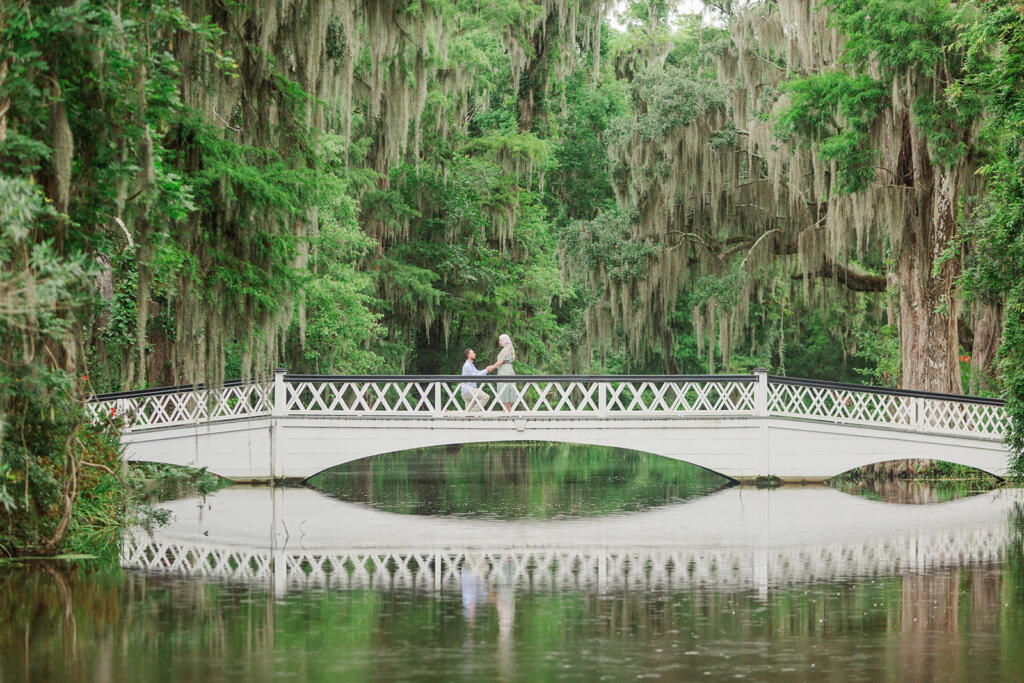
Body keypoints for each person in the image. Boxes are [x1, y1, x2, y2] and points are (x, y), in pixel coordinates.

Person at [489, 333, 516, 412]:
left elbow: (500, 361)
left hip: (504, 370)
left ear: (505, 341)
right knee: (508, 388)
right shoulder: (510, 348)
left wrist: (492, 367)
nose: (499, 342)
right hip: (510, 369)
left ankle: (504, 409)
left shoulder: (505, 350)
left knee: (504, 389)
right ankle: (508, 409)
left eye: (500, 340)